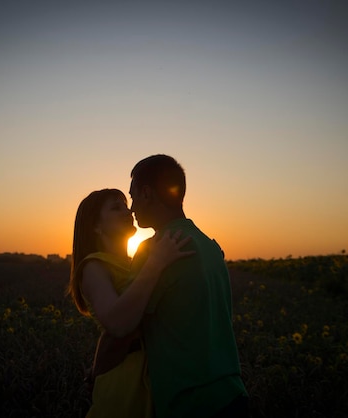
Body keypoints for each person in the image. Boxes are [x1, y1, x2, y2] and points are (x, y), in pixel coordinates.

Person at [128, 154, 249, 418]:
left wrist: (95, 370)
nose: (131, 208)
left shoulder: (155, 251)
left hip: (189, 402)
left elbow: (126, 328)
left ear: (147, 193)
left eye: (133, 196)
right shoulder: (209, 245)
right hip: (233, 395)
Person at [67, 188, 194, 418]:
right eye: (117, 208)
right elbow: (116, 323)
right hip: (124, 379)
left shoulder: (134, 264)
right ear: (96, 226)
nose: (128, 212)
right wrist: (156, 263)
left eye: (126, 206)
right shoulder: (93, 267)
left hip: (154, 372)